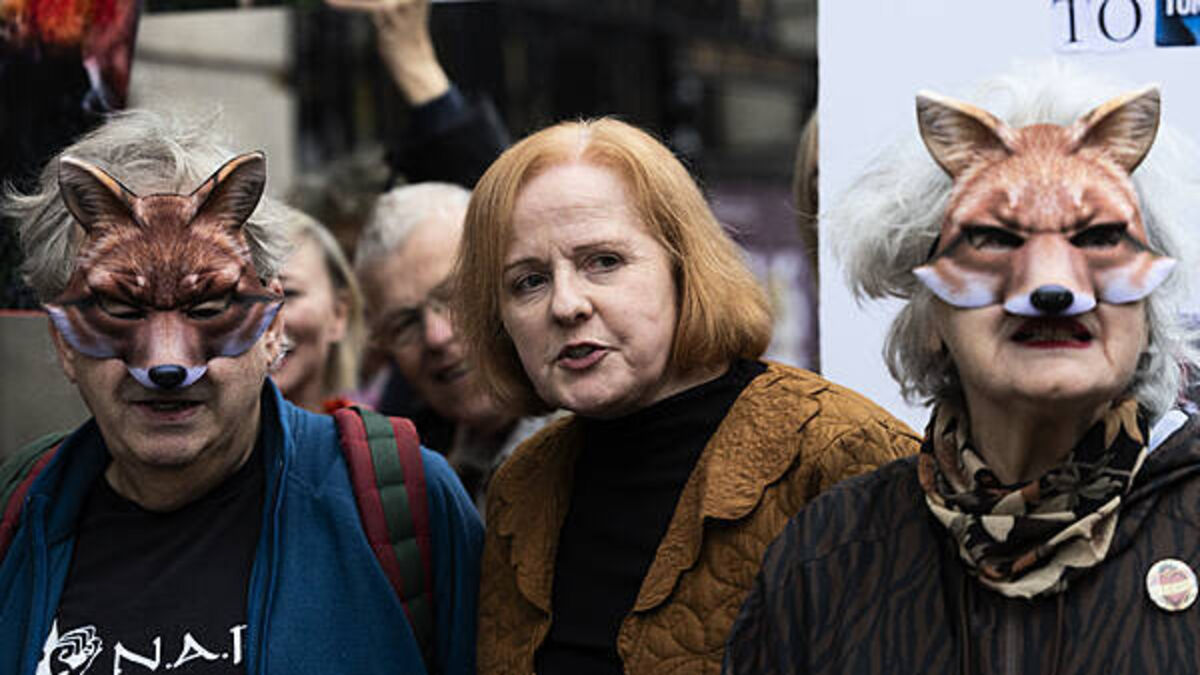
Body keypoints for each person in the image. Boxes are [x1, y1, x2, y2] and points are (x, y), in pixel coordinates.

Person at [724, 66, 1200, 674]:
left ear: (1148, 309)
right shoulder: (827, 559)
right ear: (929, 318)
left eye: (1100, 236)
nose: (1052, 286)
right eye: (995, 240)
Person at [0, 110, 482, 675]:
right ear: (64, 341)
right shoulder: (18, 518)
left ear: (272, 325)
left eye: (207, 309)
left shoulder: (402, 501)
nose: (166, 364)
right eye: (121, 311)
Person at [453, 117, 919, 674]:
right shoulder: (521, 488)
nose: (567, 304)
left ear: (683, 265)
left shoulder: (842, 455)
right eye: (529, 281)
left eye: (603, 262)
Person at [356, 182, 544, 506]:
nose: (436, 336)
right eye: (404, 323)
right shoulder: (420, 484)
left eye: (454, 296)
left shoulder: (595, 440)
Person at [273, 204, 366, 413]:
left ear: (339, 313)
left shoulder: (369, 433)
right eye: (241, 297)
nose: (262, 319)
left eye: (288, 293)